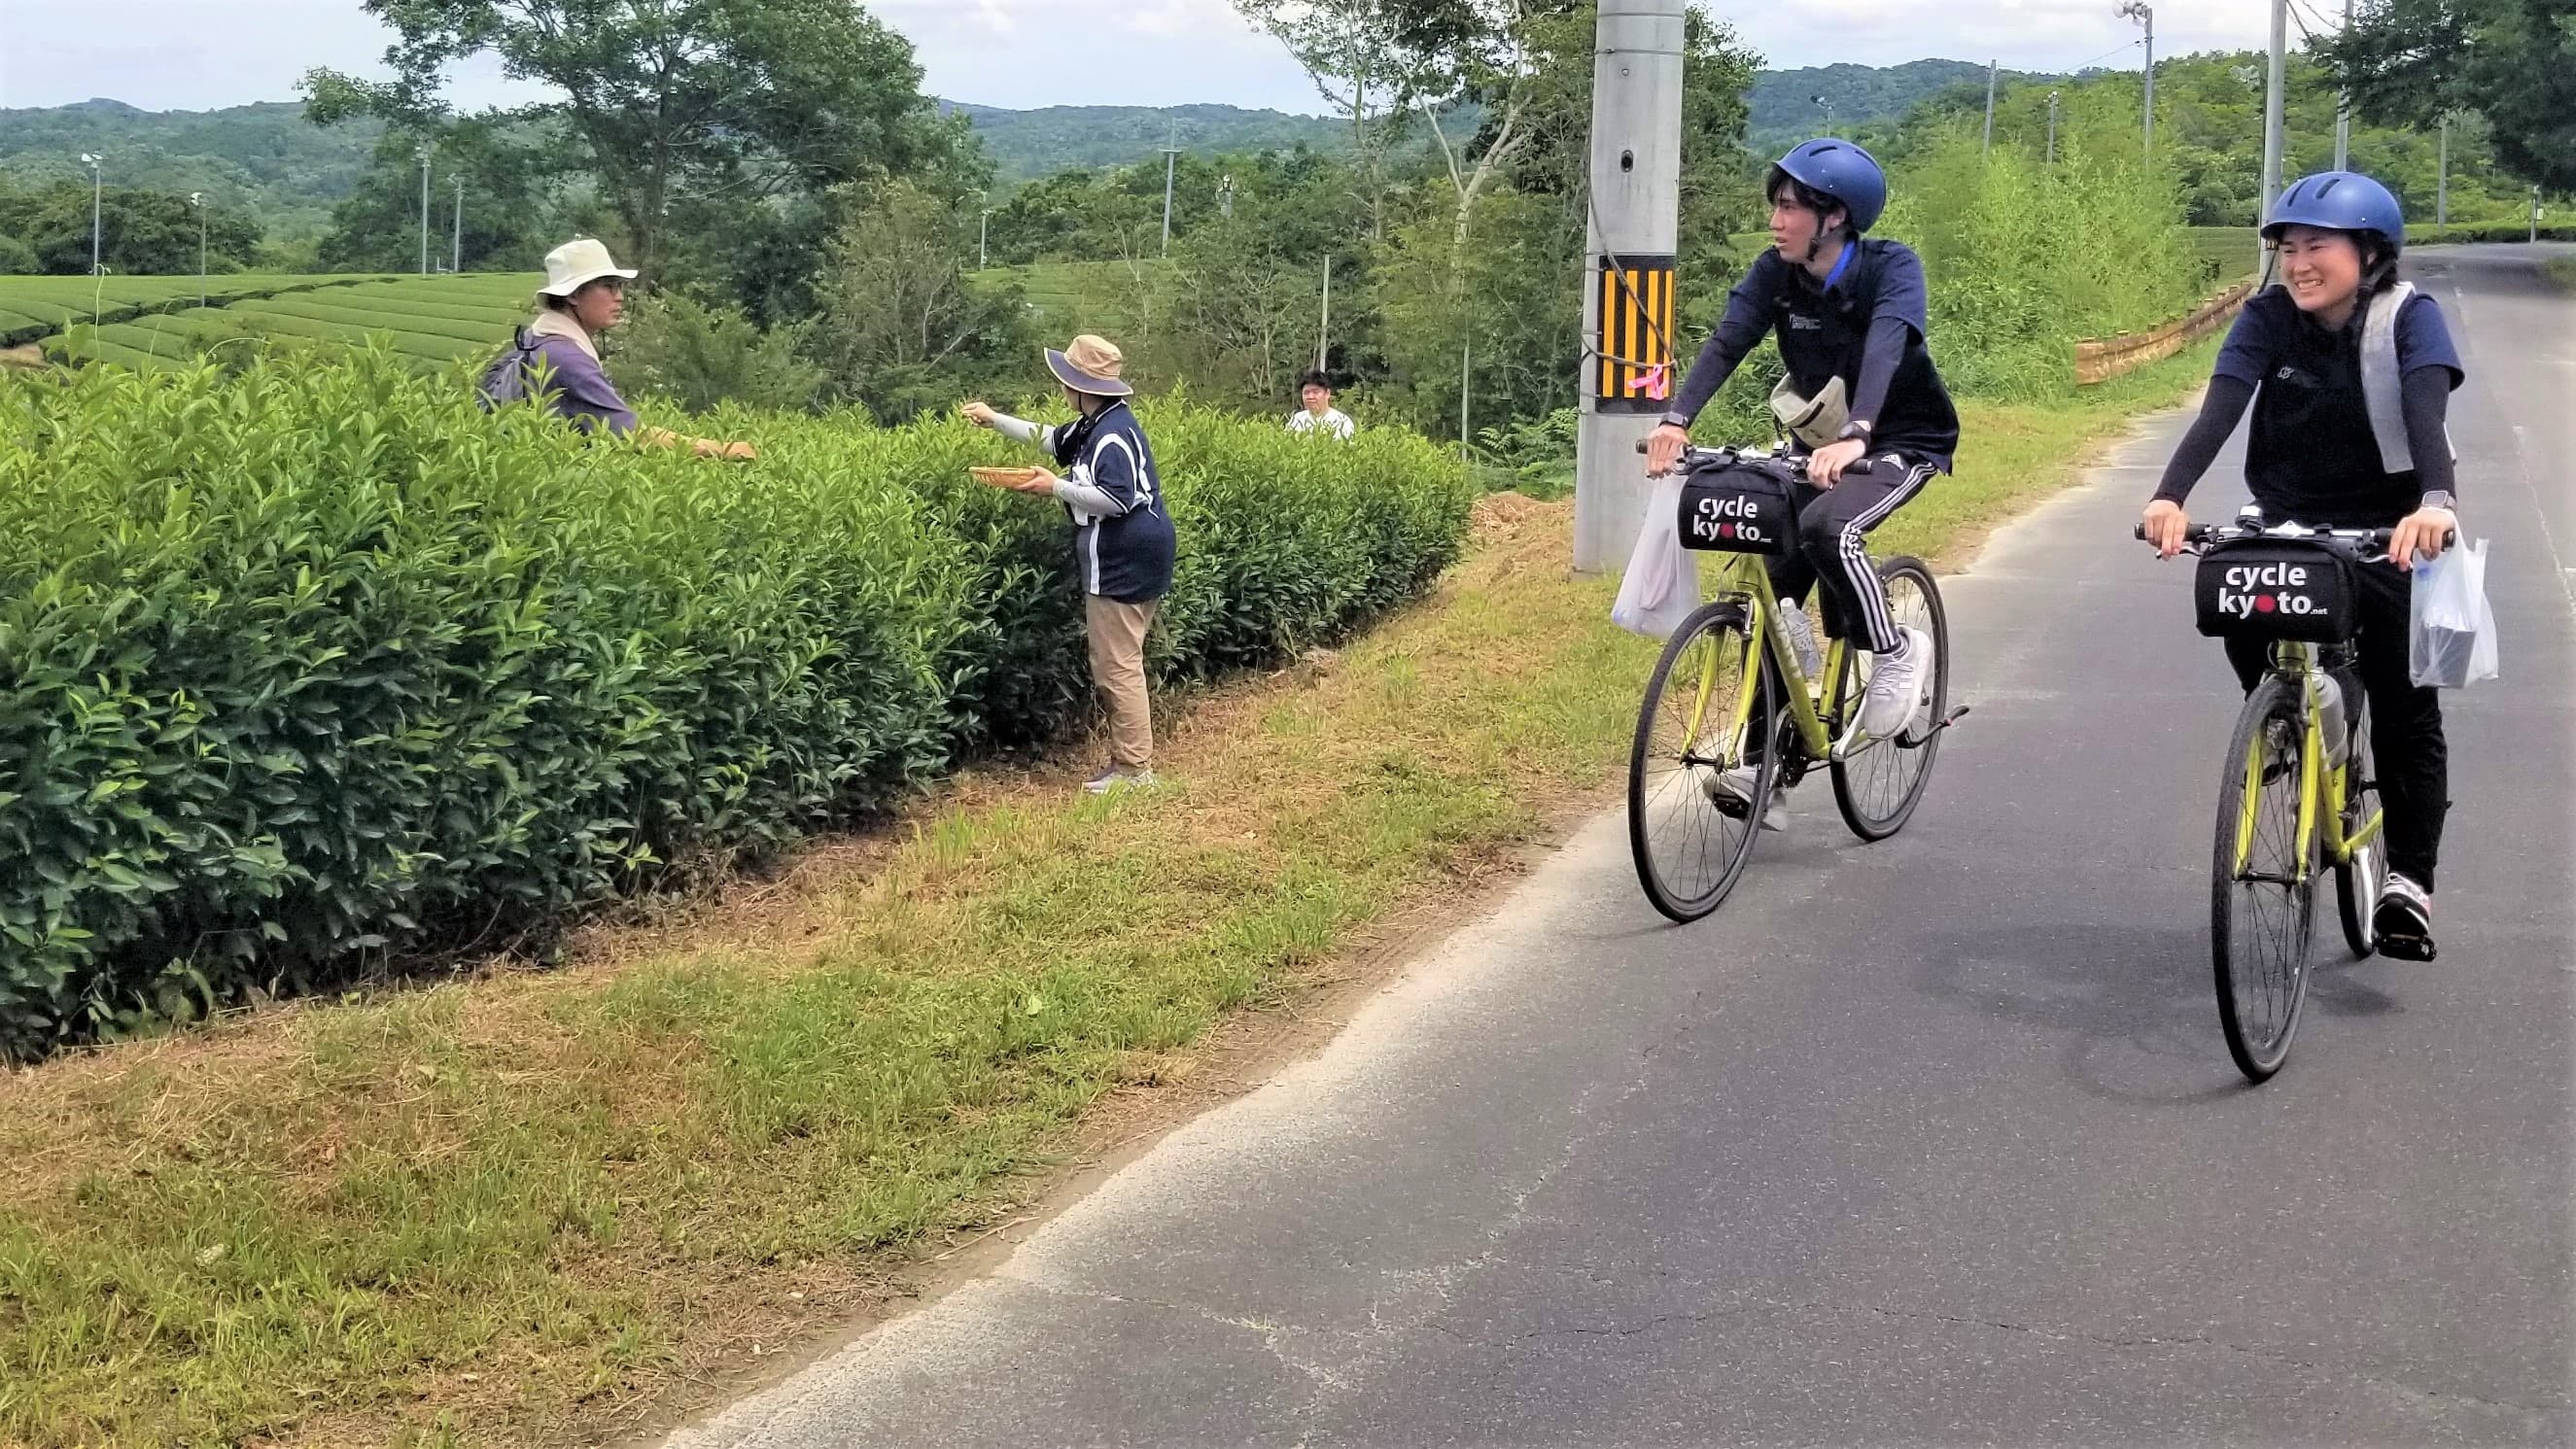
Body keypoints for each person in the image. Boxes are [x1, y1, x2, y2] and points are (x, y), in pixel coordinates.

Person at [2141, 169, 2462, 960]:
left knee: (2405, 702)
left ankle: (2409, 884)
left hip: (2392, 527)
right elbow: (2221, 404)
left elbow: (2426, 411)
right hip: (2287, 518)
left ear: (2369, 252)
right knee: (2233, 589)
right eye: (2288, 248)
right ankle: (2286, 706)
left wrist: (2437, 502)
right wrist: (2170, 495)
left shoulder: (2409, 319)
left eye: (2316, 246)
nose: (2297, 263)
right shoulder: (2266, 318)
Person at [1644, 137, 1961, 827]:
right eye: (1775, 206)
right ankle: (1767, 764)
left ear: (1835, 217)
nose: (1776, 219)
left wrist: (1860, 433)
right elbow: (1728, 340)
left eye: (1790, 207)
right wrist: (1676, 420)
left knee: (1828, 527)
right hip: (1819, 442)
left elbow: (1883, 346)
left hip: (1902, 439)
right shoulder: (1774, 274)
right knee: (1775, 586)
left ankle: (1896, 647)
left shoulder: (1892, 269)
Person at [961, 334, 1179, 794]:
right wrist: (994, 419)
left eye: (1066, 381)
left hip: (1123, 558)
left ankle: (1135, 771)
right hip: (1137, 553)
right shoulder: (1094, 424)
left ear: (1080, 386)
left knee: (1117, 665)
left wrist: (1054, 487)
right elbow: (1048, 437)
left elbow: (1115, 500)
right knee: (1121, 660)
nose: (1062, 389)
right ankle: (1131, 766)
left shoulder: (1111, 436)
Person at [478, 237, 754, 460]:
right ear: (573, 295)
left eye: (619, 287)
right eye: (608, 287)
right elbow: (633, 435)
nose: (619, 297)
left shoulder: (536, 338)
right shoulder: (566, 357)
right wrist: (724, 450)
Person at [1286, 370, 1355, 440]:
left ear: (1327, 393)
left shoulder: (1342, 421)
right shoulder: (1296, 419)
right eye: (1306, 393)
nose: (1310, 396)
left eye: (1315, 392)